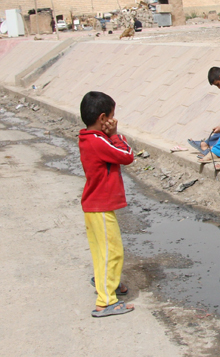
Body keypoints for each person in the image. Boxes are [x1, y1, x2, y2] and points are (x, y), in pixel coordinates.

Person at [78, 91, 135, 317]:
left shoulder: (87, 137)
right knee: (112, 251)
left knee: (103, 250)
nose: (113, 120)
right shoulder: (98, 141)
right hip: (99, 206)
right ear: (103, 119)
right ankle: (106, 300)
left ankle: (107, 281)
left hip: (95, 205)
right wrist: (115, 135)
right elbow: (127, 155)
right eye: (112, 116)